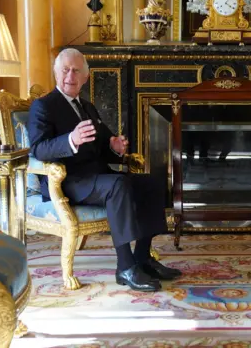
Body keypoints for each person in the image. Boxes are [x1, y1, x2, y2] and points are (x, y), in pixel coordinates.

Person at [27, 48, 181, 292]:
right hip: (68, 180)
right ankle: (125, 266)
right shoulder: (43, 106)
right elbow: (38, 149)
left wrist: (116, 148)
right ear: (56, 73)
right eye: (65, 70)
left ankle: (143, 257)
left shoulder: (88, 107)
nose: (70, 76)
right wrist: (71, 140)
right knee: (118, 185)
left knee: (151, 183)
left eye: (76, 71)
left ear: (86, 77)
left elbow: (105, 146)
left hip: (96, 176)